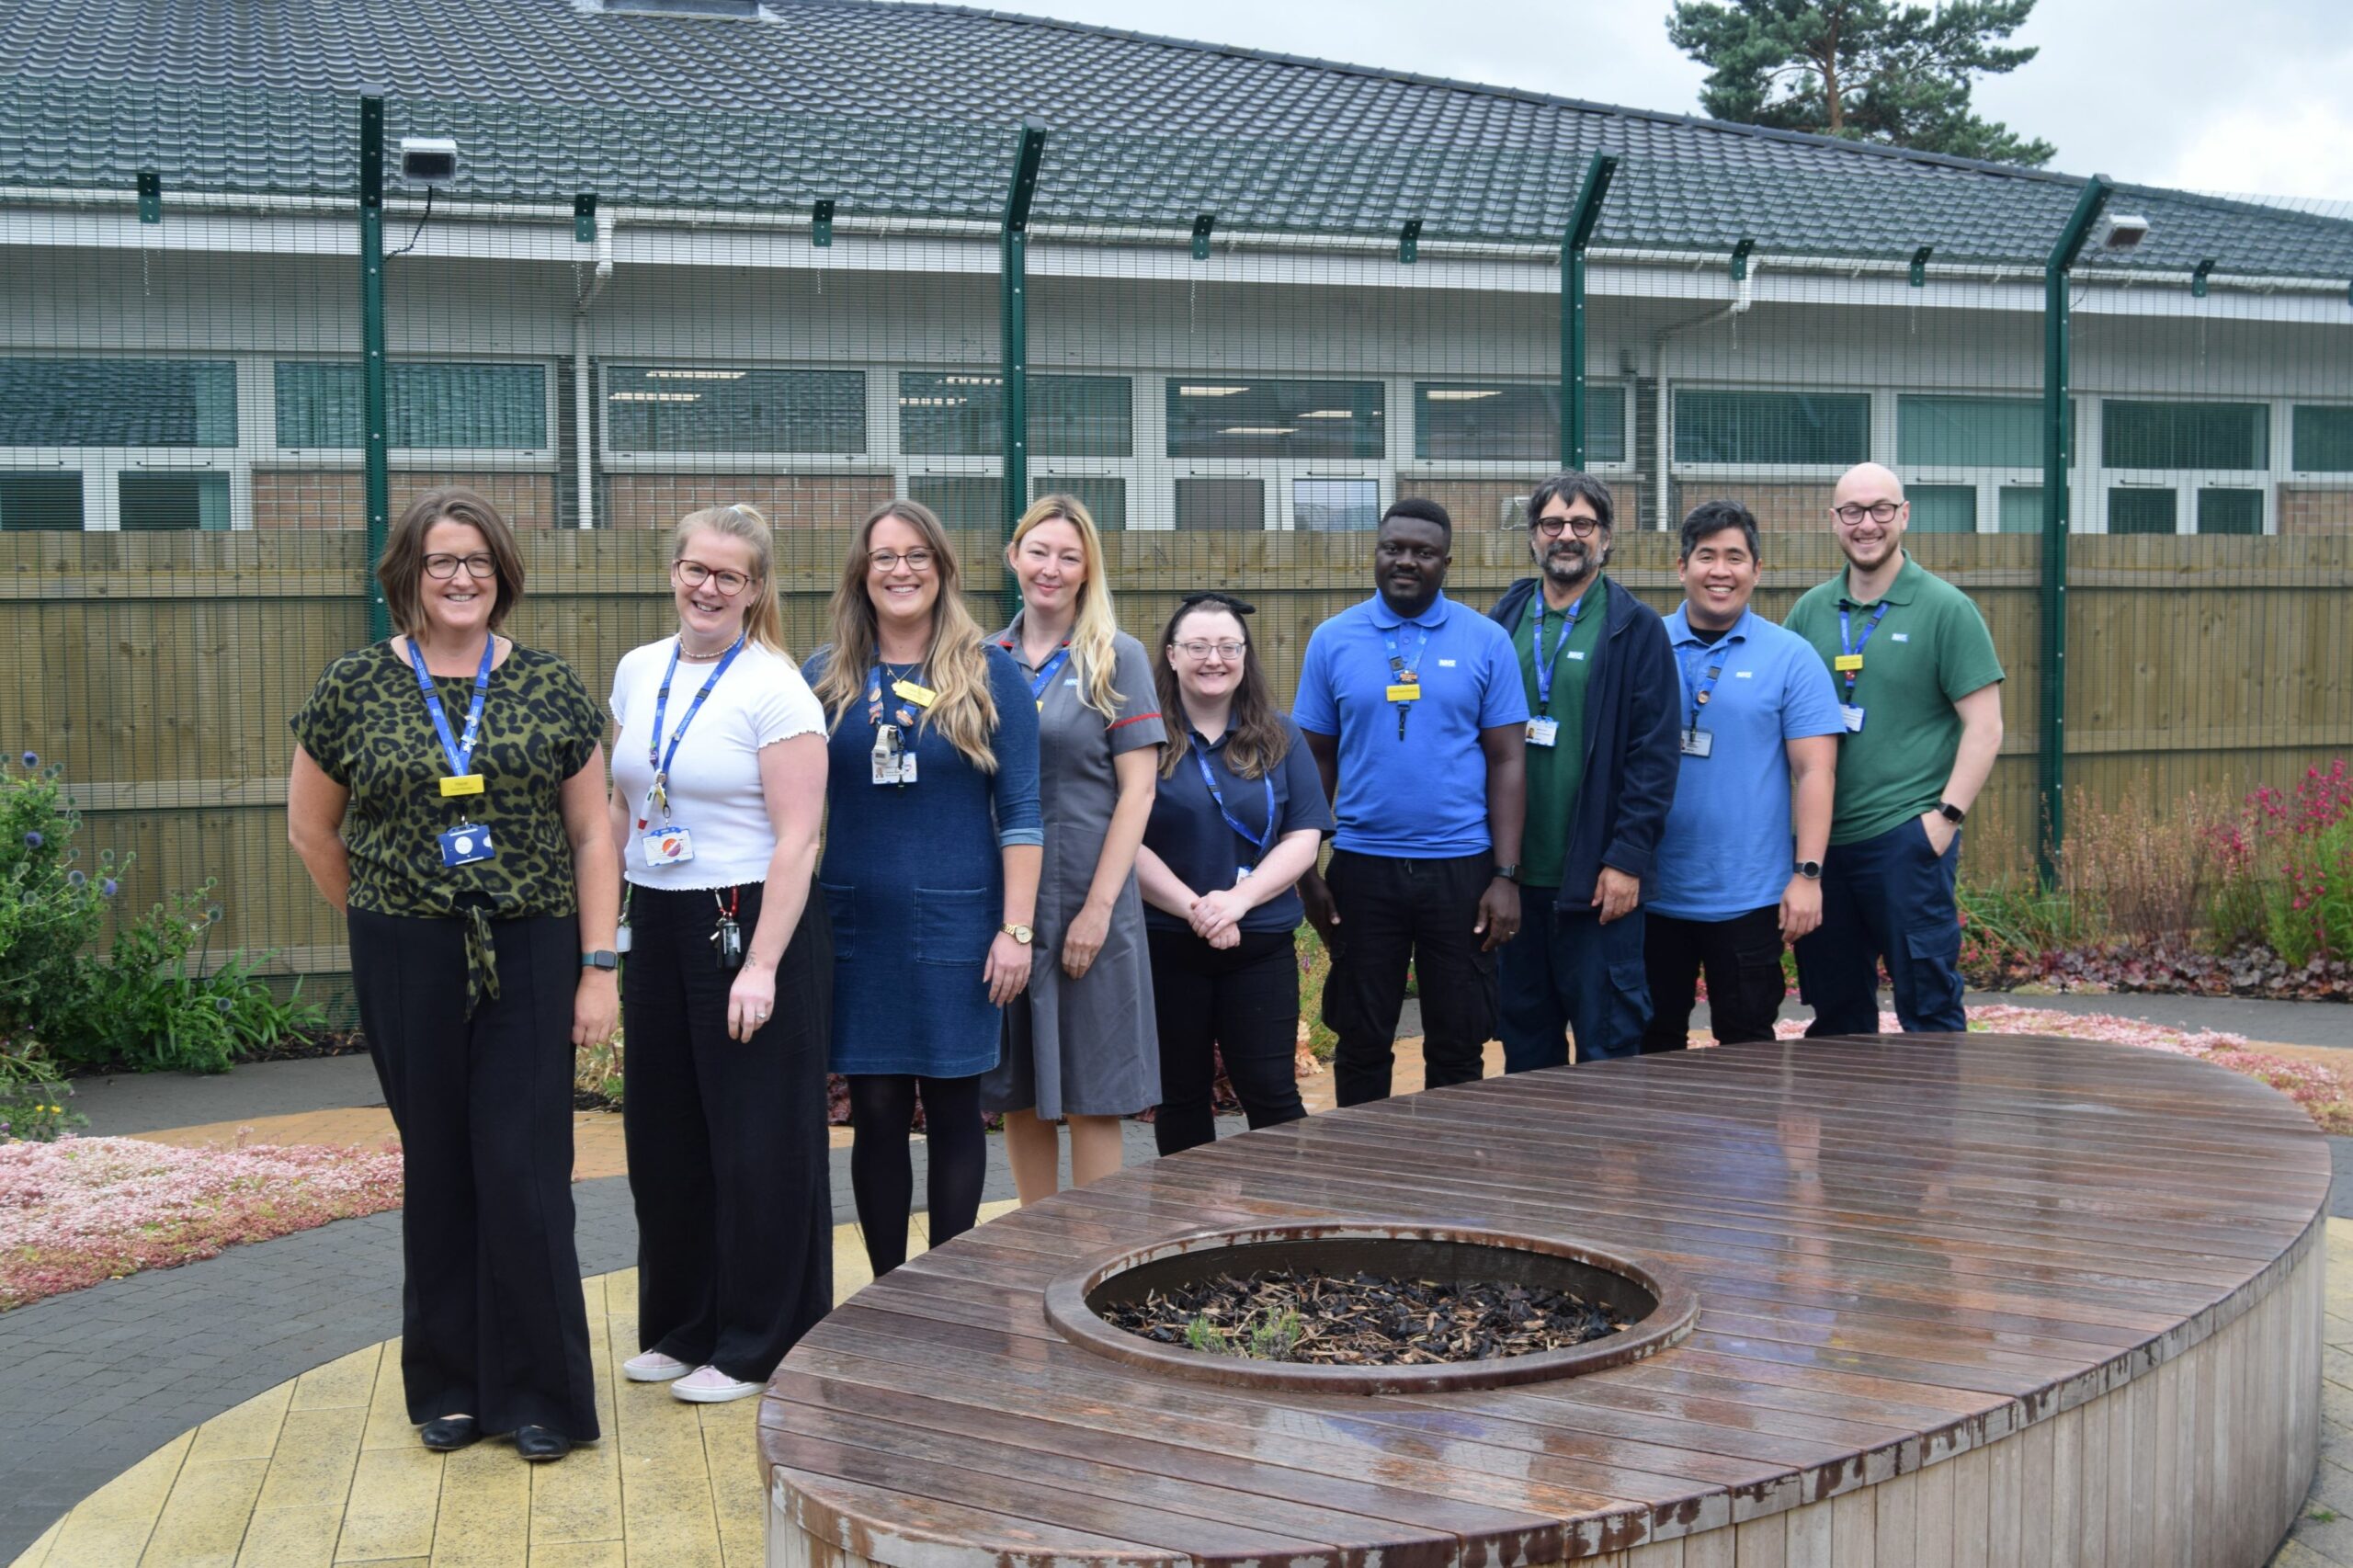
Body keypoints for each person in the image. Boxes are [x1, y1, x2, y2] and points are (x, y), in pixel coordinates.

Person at [287, 487, 614, 1463]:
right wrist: (383, 924)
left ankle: (543, 1393)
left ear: (501, 573)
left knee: (522, 1171)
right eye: (441, 561)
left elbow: (595, 831)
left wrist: (598, 966)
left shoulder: (550, 685)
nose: (461, 577)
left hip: (530, 943)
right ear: (410, 576)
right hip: (406, 952)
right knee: (438, 1169)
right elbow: (312, 827)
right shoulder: (353, 685)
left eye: (477, 560)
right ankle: (450, 1386)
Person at [606, 505, 832, 1404]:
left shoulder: (775, 687)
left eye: (727, 576)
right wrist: (606, 928)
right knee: (665, 1135)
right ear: (674, 571)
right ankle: (681, 1323)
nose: (707, 587)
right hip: (657, 917)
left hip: (747, 920)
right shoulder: (637, 668)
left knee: (756, 1143)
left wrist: (762, 965)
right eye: (695, 569)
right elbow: (622, 805)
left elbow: (799, 839)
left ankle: (758, 1339)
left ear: (753, 588)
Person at [803, 500, 1040, 1276]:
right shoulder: (824, 675)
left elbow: (1023, 814)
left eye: (916, 557)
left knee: (952, 1107)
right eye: (883, 558)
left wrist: (1016, 930)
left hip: (960, 924)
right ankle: (884, 1290)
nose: (900, 571)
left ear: (941, 571)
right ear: (860, 574)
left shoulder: (990, 670)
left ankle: (947, 1283)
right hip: (855, 927)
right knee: (873, 1111)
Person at [1294, 497, 1528, 1107]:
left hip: (1462, 870)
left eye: (1422, 552)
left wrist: (1505, 874)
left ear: (1446, 562)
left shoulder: (1486, 641)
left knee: (1459, 1038)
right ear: (1375, 553)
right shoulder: (1332, 640)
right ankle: (1364, 1170)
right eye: (1393, 548)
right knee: (1362, 1036)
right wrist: (1308, 869)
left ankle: (1451, 1176)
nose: (1405, 561)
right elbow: (1316, 758)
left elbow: (1508, 760)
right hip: (1362, 869)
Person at [981, 495, 1165, 1202]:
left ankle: (1093, 1256)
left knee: (1094, 1090)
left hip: (1092, 903)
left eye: (1068, 556)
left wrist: (1097, 910)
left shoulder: (1117, 657)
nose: (1050, 569)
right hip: (1010, 908)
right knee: (1019, 1087)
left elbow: (1138, 793)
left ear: (1088, 569)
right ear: (1014, 555)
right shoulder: (980, 658)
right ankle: (1037, 1246)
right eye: (1038, 551)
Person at [1784, 462, 2006, 1035]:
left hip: (1906, 844)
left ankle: (1929, 1128)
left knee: (1928, 1008)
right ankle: (1847, 1127)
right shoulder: (1810, 613)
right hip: (1822, 852)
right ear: (1834, 521)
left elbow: (1985, 728)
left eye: (1881, 509)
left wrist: (1944, 819)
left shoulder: (1946, 609)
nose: (1867, 524)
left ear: (1904, 515)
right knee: (1836, 1016)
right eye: (1853, 512)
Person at [1484, 472, 1679, 1067]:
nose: (1566, 536)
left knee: (1609, 1047)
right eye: (1552, 524)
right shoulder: (1505, 618)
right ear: (1533, 536)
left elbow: (1654, 756)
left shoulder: (1634, 627)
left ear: (1606, 537)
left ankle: (1604, 1161)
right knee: (1525, 1046)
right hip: (1514, 881)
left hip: (1597, 885)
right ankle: (1538, 1163)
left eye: (1582, 524)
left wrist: (1625, 861)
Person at [1133, 592, 1333, 1153]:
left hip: (1259, 944)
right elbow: (1125, 840)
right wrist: (1198, 910)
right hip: (1169, 943)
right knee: (1180, 1097)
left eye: (1227, 646)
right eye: (1197, 646)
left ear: (1246, 655)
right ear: (1171, 655)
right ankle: (1190, 1231)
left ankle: (1285, 1226)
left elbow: (1303, 836)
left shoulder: (1280, 734)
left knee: (1271, 1094)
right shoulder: (1142, 736)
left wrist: (1237, 903)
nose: (1213, 659)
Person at [1639, 500, 1842, 1053]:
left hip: (1751, 897)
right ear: (1681, 568)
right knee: (1650, 1043)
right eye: (1706, 556)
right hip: (1651, 891)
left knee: (1749, 1044)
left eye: (1735, 557)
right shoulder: (1642, 645)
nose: (1720, 571)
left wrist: (1808, 874)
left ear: (1758, 570)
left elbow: (1816, 769)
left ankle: (1751, 1146)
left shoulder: (1792, 657)